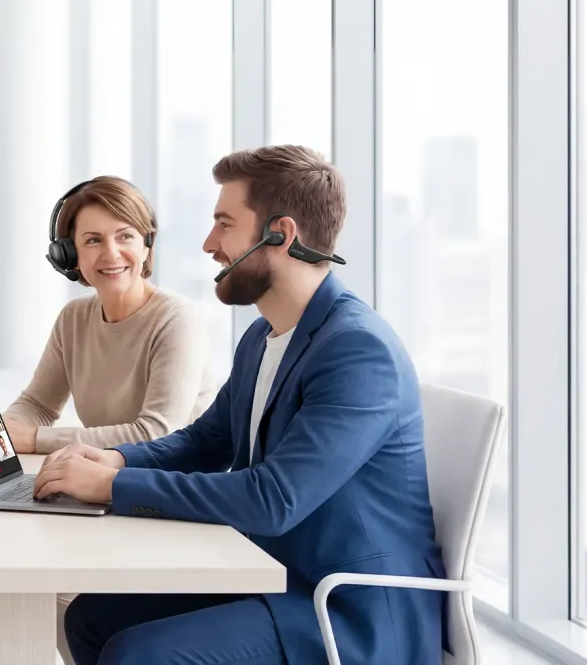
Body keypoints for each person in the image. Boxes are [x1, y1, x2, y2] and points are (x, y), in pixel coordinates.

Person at [34, 146, 445, 665]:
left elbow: (273, 499)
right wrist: (118, 460)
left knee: (141, 655)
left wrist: (114, 488)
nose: (209, 244)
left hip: (344, 609)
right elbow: (207, 440)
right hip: (278, 574)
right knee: (90, 619)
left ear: (282, 235)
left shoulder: (357, 351)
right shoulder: (264, 335)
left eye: (224, 224)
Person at [3, 176, 217, 456]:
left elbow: (155, 434)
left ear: (146, 244)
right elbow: (38, 404)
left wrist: (34, 439)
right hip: (104, 475)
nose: (111, 253)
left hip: (171, 482)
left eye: (125, 236)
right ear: (69, 255)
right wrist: (0, 431)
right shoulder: (74, 317)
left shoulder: (178, 319)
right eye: (93, 240)